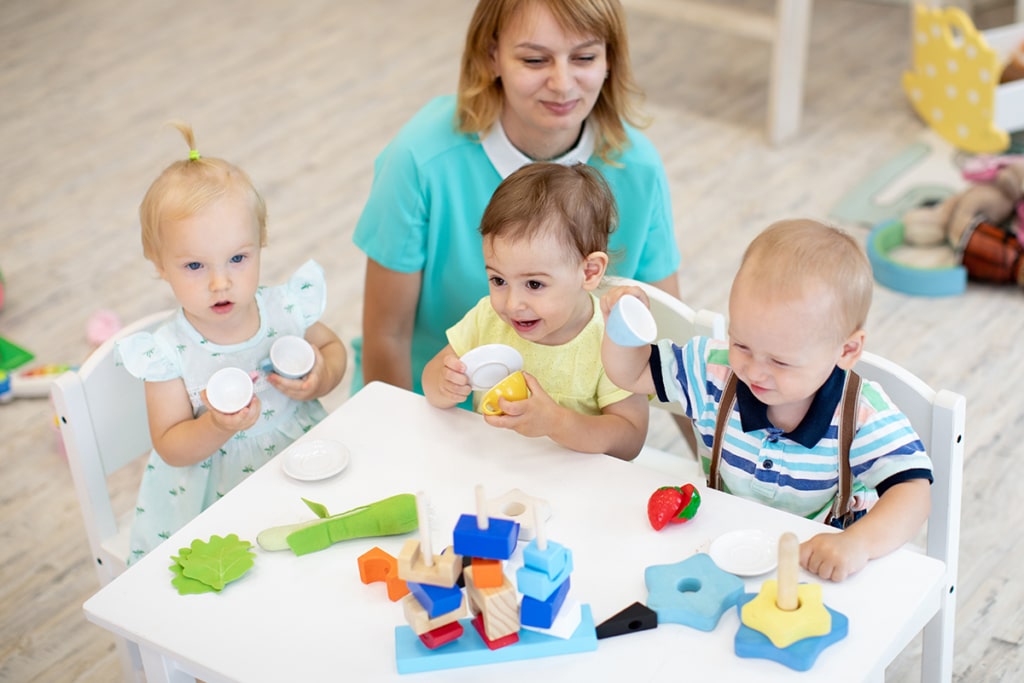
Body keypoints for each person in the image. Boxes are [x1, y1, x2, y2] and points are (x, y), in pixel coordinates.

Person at [353, 0, 681, 404]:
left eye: (584, 57)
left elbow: (670, 343)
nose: (562, 83)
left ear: (609, 60)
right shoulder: (419, 159)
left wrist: (710, 461)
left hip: (577, 420)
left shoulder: (639, 168)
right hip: (437, 405)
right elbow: (387, 335)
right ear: (492, 56)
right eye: (534, 59)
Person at [600, 219, 933, 581]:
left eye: (780, 361)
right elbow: (630, 374)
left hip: (819, 569)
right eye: (741, 344)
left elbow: (913, 493)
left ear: (848, 350)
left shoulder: (861, 414)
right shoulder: (714, 371)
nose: (754, 371)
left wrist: (858, 545)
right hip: (725, 548)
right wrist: (621, 327)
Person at [117, 123, 347, 563]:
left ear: (261, 244)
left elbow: (334, 351)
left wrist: (319, 378)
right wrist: (216, 426)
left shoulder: (283, 310)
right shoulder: (168, 355)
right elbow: (170, 445)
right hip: (214, 504)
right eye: (194, 265)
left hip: (299, 471)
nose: (220, 282)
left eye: (238, 259)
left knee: (320, 556)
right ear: (160, 266)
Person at [423, 162, 648, 460]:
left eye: (534, 284)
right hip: (495, 469)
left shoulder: (611, 341)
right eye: (498, 280)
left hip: (578, 486)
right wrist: (444, 383)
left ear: (589, 272)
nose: (512, 304)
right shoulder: (488, 317)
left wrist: (557, 422)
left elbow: (630, 438)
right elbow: (430, 378)